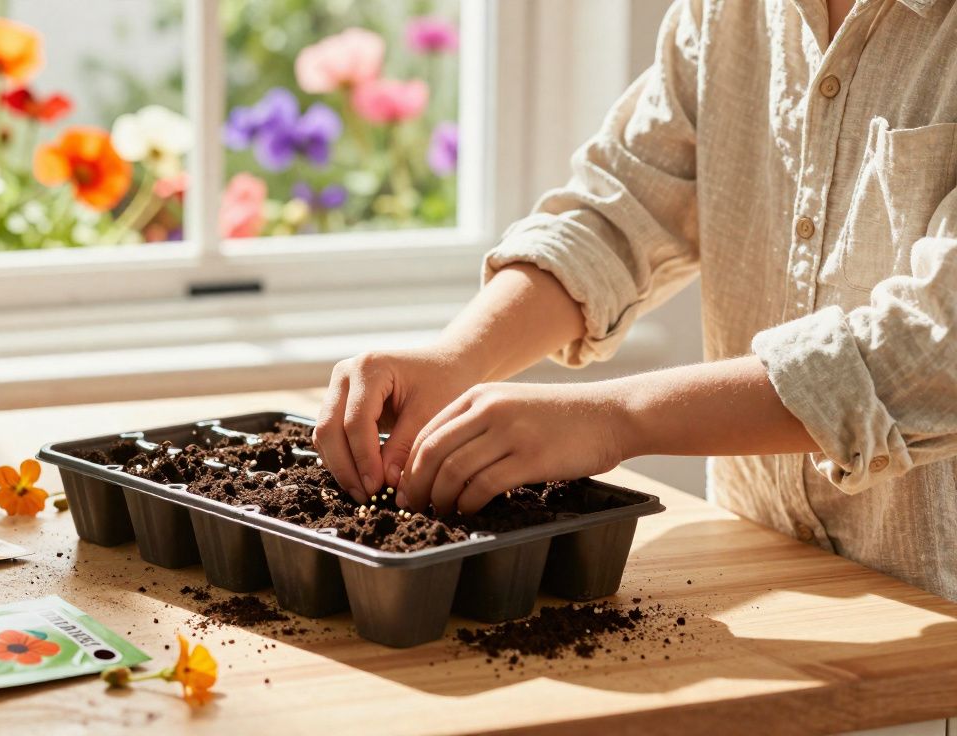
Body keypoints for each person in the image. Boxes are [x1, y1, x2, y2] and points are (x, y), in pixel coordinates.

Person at [314, 0, 957, 599]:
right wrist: (457, 357)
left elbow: (934, 347)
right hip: (751, 564)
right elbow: (623, 208)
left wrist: (612, 419)